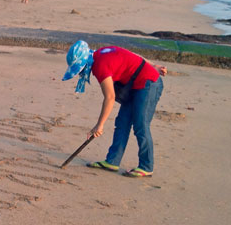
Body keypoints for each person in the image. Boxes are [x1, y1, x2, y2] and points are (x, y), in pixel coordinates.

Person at [62, 41, 168, 177]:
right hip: (134, 85)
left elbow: (110, 97)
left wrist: (99, 125)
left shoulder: (100, 66)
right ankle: (112, 161)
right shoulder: (100, 53)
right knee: (122, 123)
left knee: (141, 125)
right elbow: (132, 55)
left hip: (149, 83)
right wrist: (153, 65)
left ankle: (146, 167)